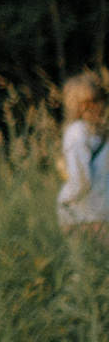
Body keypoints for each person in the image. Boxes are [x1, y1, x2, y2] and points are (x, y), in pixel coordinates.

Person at [60, 74, 109, 233]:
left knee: (82, 257)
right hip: (103, 213)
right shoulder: (101, 133)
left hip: (80, 216)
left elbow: (81, 179)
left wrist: (65, 201)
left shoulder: (76, 132)